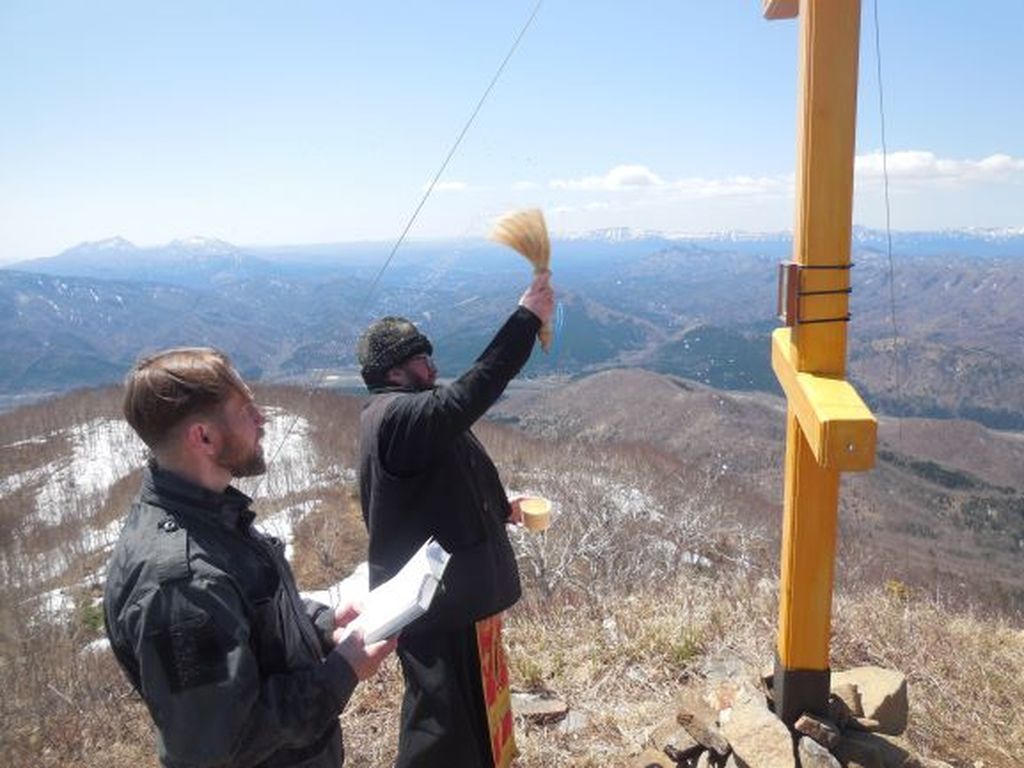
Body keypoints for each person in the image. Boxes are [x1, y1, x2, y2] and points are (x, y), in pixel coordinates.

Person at [104, 347, 396, 768]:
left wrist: (323, 623)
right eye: (246, 410)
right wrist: (343, 670)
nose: (262, 419)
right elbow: (222, 741)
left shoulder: (210, 516)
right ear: (204, 437)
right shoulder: (179, 585)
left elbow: (250, 615)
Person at [356, 272, 555, 767]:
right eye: (422, 360)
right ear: (395, 372)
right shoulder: (396, 418)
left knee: (470, 716)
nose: (434, 367)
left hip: (452, 598)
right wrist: (527, 319)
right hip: (436, 604)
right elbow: (474, 390)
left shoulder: (409, 419)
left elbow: (444, 482)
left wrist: (501, 506)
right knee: (440, 726)